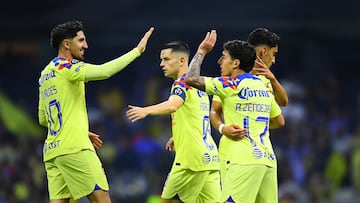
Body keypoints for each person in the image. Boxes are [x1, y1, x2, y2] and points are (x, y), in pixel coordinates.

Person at [37, 20, 154, 203]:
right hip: (75, 147)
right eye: (81, 40)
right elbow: (104, 71)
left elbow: (43, 118)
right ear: (67, 44)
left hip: (53, 151)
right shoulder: (67, 67)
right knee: (101, 199)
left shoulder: (45, 74)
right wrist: (137, 51)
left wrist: (78, 128)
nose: (86, 45)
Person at [185, 30, 285, 203]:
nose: (220, 61)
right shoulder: (263, 85)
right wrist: (227, 127)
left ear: (236, 63)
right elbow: (279, 120)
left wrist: (201, 51)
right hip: (267, 159)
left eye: (224, 57)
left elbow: (191, 78)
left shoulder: (229, 85)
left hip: (242, 160)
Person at [126, 41, 220, 203]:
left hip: (191, 161)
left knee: (166, 200)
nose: (162, 64)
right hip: (209, 157)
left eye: (166, 59)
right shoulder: (199, 85)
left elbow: (174, 104)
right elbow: (195, 117)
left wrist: (145, 110)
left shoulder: (181, 82)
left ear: (181, 61)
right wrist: (178, 135)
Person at [209, 28, 288, 185]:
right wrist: (222, 128)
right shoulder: (230, 76)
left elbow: (283, 104)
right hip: (237, 155)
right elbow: (214, 111)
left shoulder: (265, 80)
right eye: (274, 54)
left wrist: (272, 80)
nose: (274, 60)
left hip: (258, 155)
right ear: (264, 52)